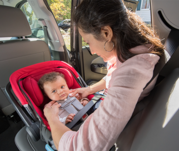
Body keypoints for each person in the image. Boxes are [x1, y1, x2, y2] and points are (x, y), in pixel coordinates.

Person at [44, 0, 164, 150]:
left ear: (106, 33)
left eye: (88, 42)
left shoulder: (131, 73)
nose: (92, 51)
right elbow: (113, 77)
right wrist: (88, 90)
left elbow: (78, 148)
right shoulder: (131, 54)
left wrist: (52, 118)